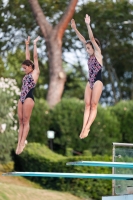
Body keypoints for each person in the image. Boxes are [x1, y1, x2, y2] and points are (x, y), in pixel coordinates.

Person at [71, 14, 103, 139]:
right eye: (86, 48)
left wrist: (88, 24)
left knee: (94, 105)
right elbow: (83, 39)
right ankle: (84, 128)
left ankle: (88, 127)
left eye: (88, 48)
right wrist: (74, 28)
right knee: (87, 105)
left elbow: (90, 38)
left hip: (97, 82)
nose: (86, 50)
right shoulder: (90, 56)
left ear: (94, 48)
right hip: (89, 81)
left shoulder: (98, 54)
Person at [16, 36, 40, 154]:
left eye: (25, 68)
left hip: (29, 97)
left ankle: (22, 143)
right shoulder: (27, 72)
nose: (24, 70)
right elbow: (28, 58)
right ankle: (18, 143)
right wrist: (27, 44)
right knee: (20, 121)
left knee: (26, 120)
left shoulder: (35, 73)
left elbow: (34, 58)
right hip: (21, 98)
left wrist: (34, 44)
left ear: (31, 67)